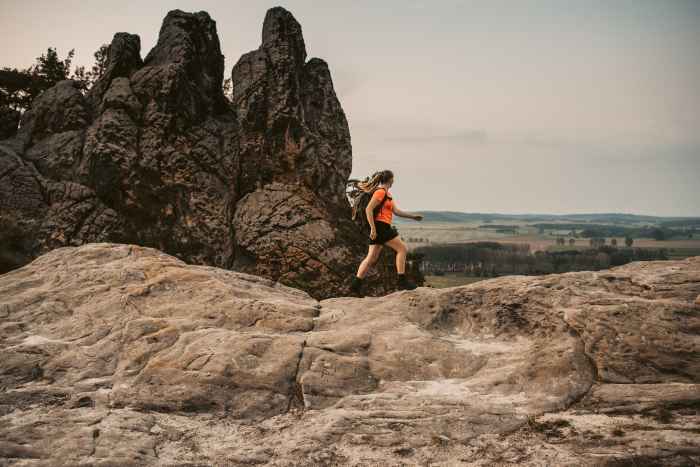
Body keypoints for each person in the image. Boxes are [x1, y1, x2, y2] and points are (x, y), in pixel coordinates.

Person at [350, 169, 423, 296]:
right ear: (390, 180)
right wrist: (373, 228)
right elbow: (369, 209)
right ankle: (401, 280)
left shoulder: (388, 195)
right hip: (381, 227)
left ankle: (355, 285)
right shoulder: (380, 192)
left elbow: (397, 212)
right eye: (393, 178)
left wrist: (413, 217)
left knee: (371, 258)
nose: (394, 180)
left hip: (381, 227)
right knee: (402, 249)